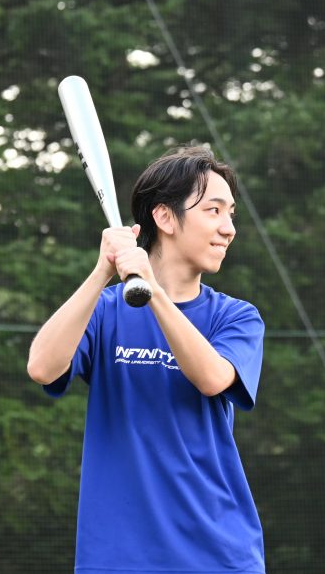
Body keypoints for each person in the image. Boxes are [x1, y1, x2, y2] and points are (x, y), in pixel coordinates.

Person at [28, 145, 266, 574]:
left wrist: (152, 291)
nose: (228, 228)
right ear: (165, 218)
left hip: (217, 556)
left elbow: (212, 378)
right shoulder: (104, 311)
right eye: (214, 210)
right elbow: (42, 368)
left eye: (231, 214)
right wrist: (103, 271)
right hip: (116, 559)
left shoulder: (236, 317)